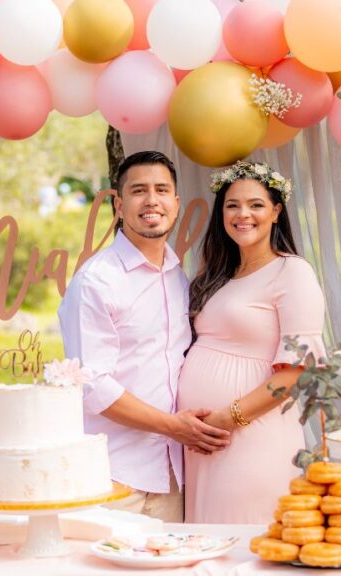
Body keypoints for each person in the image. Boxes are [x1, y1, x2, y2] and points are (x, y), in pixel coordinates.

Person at [58, 151, 230, 523]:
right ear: (119, 205)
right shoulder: (97, 282)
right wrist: (174, 427)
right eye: (138, 191)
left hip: (173, 473)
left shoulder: (177, 275)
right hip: (114, 474)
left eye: (161, 190)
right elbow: (94, 387)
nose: (151, 200)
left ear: (176, 203)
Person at [178, 160, 327, 524]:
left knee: (244, 542)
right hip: (204, 439)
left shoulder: (292, 272)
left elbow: (296, 373)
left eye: (256, 205)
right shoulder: (218, 275)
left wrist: (226, 419)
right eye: (232, 205)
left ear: (276, 212)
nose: (243, 214)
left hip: (251, 435)